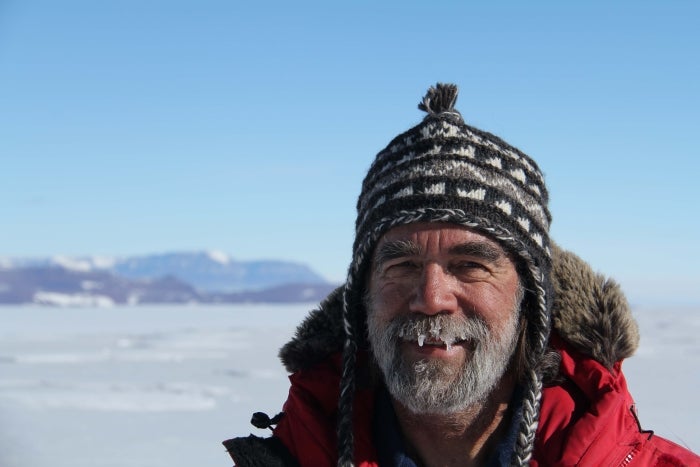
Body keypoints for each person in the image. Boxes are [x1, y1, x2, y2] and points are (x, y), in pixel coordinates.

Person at [222, 83, 699, 466]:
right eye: (401, 265)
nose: (431, 298)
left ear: (532, 297)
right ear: (361, 295)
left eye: (470, 266)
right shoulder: (298, 453)